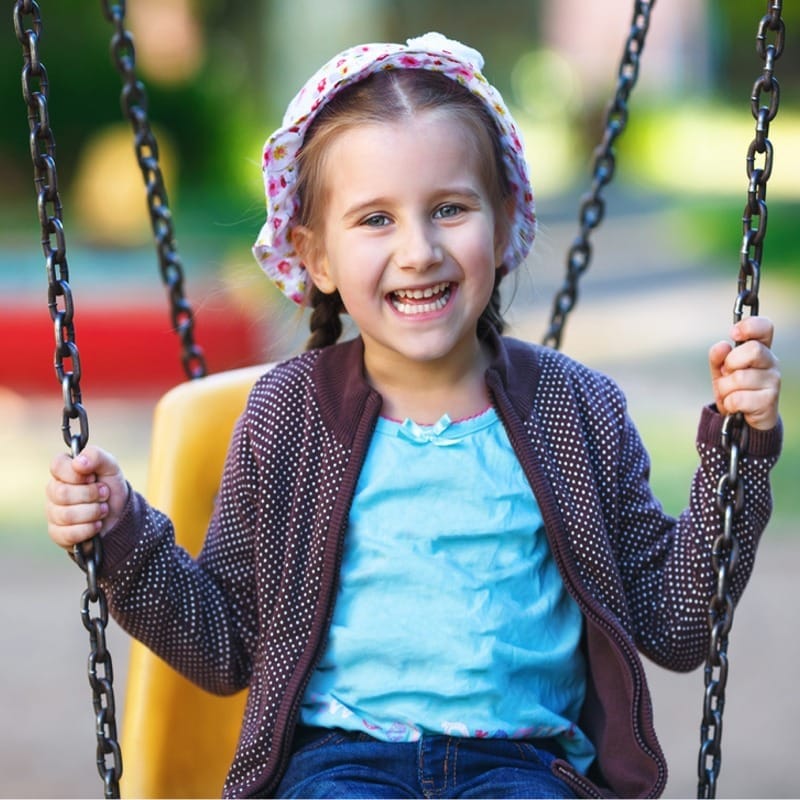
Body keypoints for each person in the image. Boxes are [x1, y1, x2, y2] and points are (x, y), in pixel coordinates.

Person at [46, 33, 782, 799]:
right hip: (342, 767)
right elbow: (226, 643)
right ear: (315, 255)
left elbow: (675, 623)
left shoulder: (578, 411)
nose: (419, 250)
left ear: (503, 221)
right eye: (375, 220)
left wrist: (738, 451)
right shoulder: (288, 419)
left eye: (449, 209)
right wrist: (120, 533)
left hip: (524, 767)